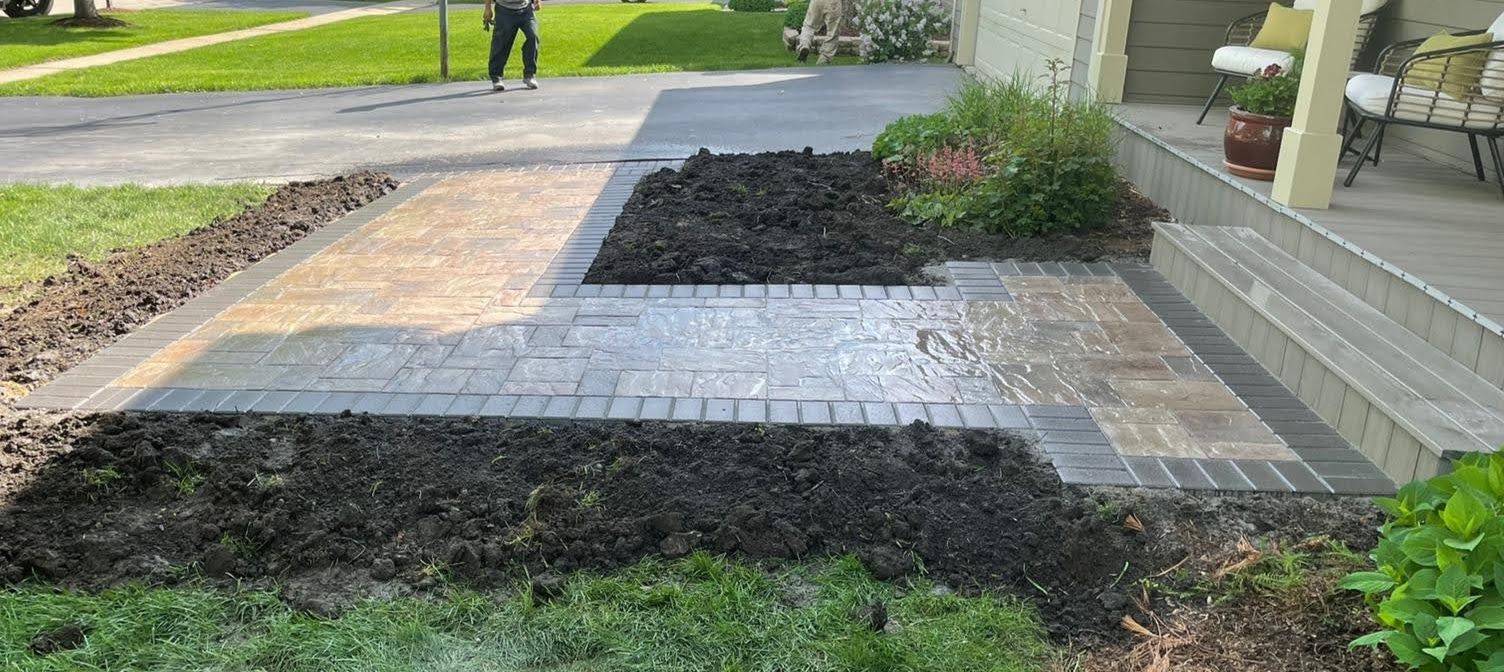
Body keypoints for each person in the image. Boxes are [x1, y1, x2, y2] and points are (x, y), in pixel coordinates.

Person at [484, 0, 541, 91]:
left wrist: (537, 1)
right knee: (501, 44)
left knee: (533, 37)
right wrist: (487, 8)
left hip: (526, 9)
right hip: (504, 10)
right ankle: (496, 77)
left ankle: (529, 75)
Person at [797, 0, 844, 65]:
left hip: (816, 2)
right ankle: (824, 58)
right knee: (832, 33)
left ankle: (804, 45)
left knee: (808, 26)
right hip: (833, 3)